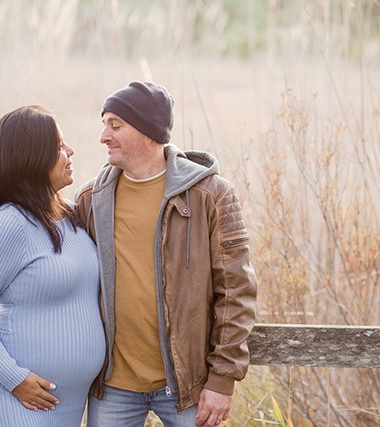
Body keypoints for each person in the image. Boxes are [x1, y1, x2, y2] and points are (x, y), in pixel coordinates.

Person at [75, 81, 257, 427]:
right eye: (104, 124)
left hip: (187, 387)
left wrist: (222, 380)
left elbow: (236, 293)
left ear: (148, 132)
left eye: (115, 125)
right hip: (112, 387)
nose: (103, 136)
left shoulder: (210, 195)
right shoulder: (91, 199)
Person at [0, 105, 105, 427]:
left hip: (68, 400)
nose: (71, 151)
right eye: (59, 147)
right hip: (21, 401)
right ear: (32, 158)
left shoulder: (69, 213)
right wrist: (14, 379)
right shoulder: (12, 223)